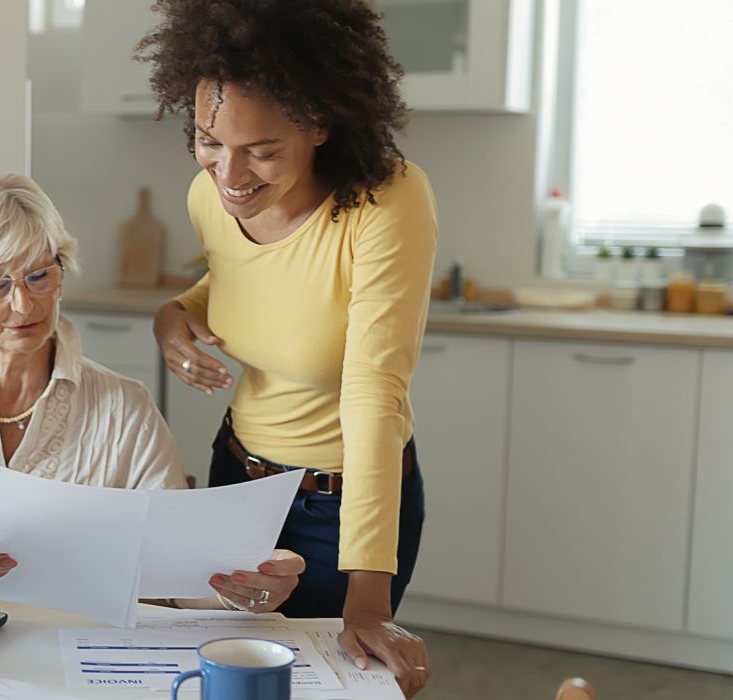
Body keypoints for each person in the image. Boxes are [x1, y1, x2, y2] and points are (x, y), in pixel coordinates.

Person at [138, 0, 437, 695]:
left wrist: (367, 597)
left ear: (319, 124)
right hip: (237, 479)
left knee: (317, 686)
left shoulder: (385, 203)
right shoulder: (209, 198)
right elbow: (235, 282)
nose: (230, 173)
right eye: (209, 141)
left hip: (339, 506)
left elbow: (373, 391)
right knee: (223, 678)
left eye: (263, 151)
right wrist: (172, 315)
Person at [0, 173, 302, 612]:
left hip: (77, 650)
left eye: (40, 276)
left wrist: (248, 590)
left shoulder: (126, 408)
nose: (24, 303)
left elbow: (181, 577)